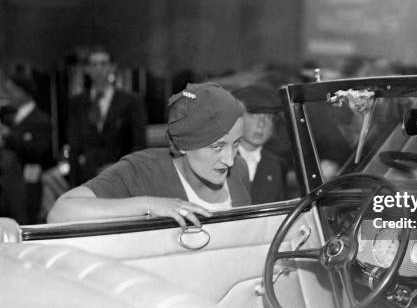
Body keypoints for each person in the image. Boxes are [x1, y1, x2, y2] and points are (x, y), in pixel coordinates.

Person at [48, 82, 251, 227]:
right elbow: (61, 213)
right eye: (217, 146)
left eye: (236, 144)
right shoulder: (141, 171)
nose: (229, 159)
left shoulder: (239, 170)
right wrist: (148, 205)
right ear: (183, 144)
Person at [67, 47, 146, 186]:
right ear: (87, 69)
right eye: (94, 64)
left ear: (112, 67)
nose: (98, 69)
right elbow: (73, 144)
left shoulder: (131, 102)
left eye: (103, 63)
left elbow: (138, 143)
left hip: (120, 176)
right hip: (85, 178)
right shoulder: (76, 103)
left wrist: (119, 169)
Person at [0, 73, 54, 223]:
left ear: (24, 92)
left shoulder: (41, 120)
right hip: (7, 182)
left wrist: (8, 136)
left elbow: (39, 151)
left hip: (28, 183)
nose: (8, 95)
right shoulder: (8, 116)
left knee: (24, 218)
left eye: (12, 90)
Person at [233, 84, 287, 204]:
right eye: (254, 115)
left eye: (268, 117)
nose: (261, 124)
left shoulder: (276, 165)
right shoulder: (221, 159)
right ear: (238, 117)